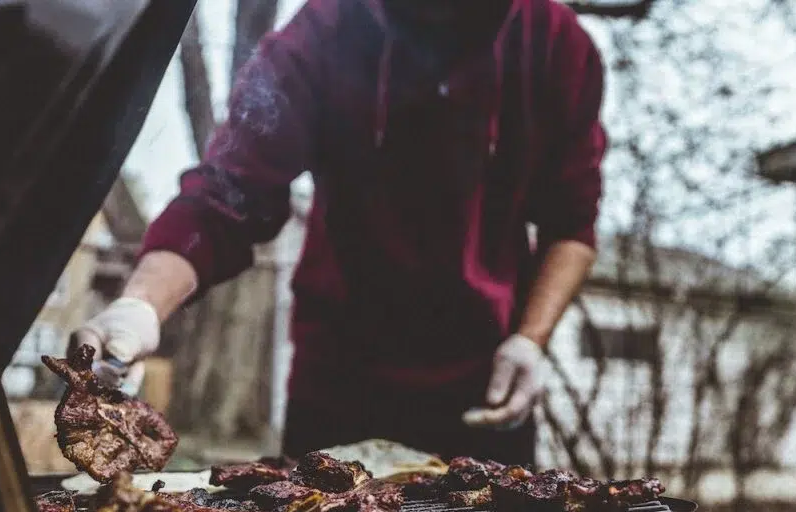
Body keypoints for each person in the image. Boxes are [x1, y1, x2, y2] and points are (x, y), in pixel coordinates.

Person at [72, 0, 606, 465]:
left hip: (485, 389)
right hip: (340, 386)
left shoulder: (558, 46)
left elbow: (572, 225)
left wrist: (530, 341)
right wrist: (141, 305)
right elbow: (226, 195)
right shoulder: (324, 30)